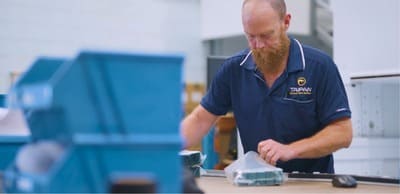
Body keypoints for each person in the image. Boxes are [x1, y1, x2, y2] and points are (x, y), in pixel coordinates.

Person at [181, 0, 353, 173]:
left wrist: (291, 150)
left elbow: (342, 133)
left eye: (266, 35)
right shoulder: (234, 70)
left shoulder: (319, 67)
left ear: (285, 22)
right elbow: (200, 120)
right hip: (258, 182)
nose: (259, 46)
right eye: (251, 37)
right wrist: (163, 148)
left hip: (311, 183)